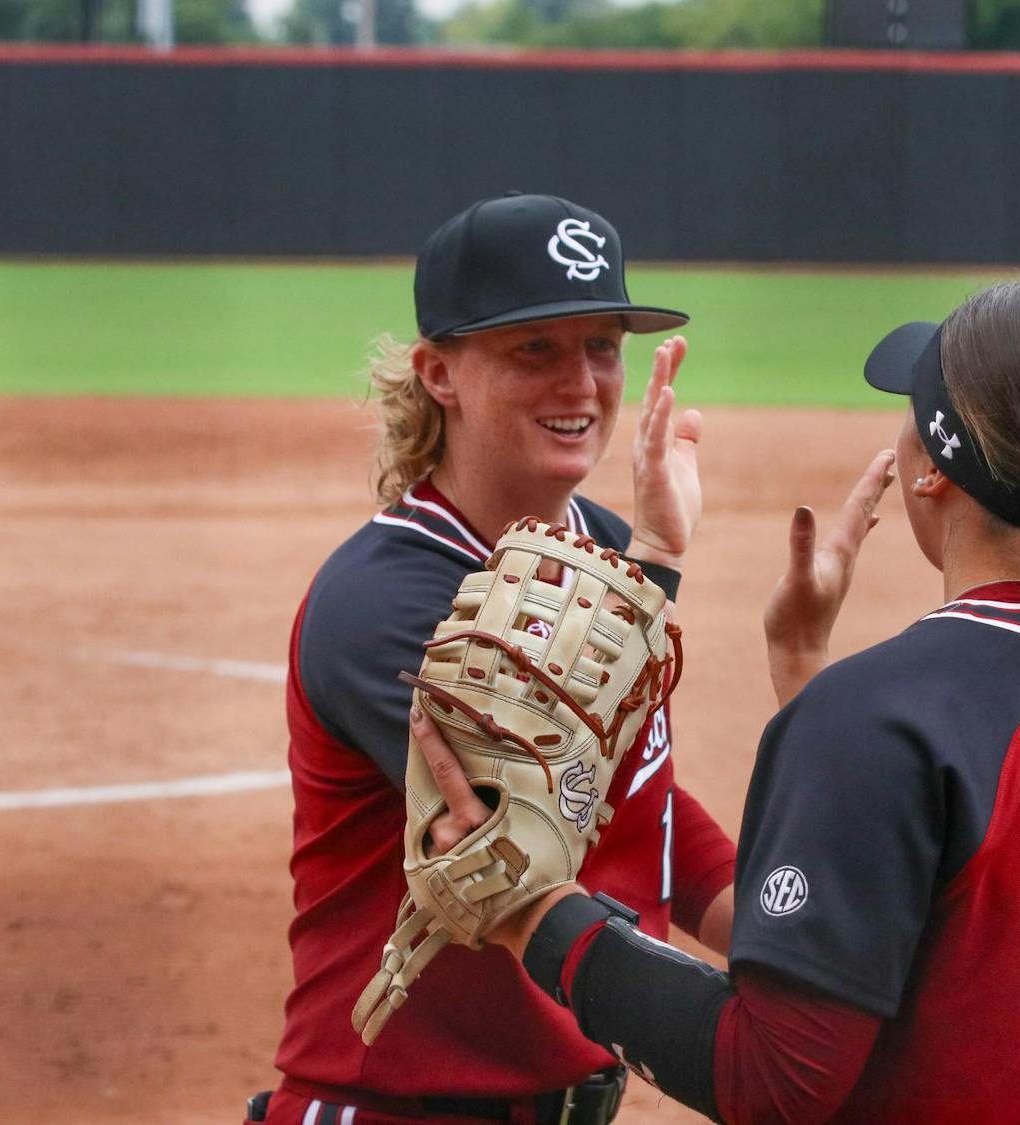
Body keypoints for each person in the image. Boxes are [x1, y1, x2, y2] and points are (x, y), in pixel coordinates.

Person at [414, 277, 1020, 1123]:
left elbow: (771, 1078)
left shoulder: (883, 720)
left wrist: (534, 913)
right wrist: (805, 667)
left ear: (929, 469)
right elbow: (985, 937)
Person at [250, 193, 738, 1125]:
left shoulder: (602, 548)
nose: (582, 384)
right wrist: (658, 568)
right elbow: (533, 817)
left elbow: (634, 793)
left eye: (602, 345)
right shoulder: (380, 602)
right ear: (440, 372)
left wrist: (774, 943)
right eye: (535, 350)